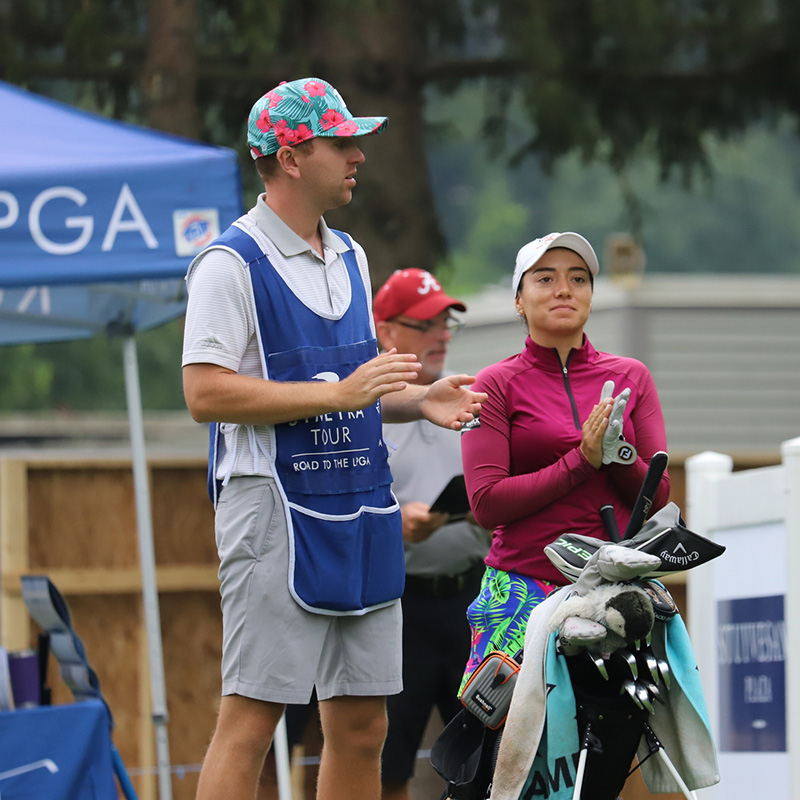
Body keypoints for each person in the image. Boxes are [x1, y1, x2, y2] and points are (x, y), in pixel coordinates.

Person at [180, 77, 486, 800]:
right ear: (291, 156)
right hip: (273, 516)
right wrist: (337, 393)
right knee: (252, 722)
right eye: (342, 142)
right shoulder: (229, 265)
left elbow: (356, 397)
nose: (358, 156)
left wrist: (419, 401)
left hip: (361, 512)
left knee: (362, 728)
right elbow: (204, 394)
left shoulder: (349, 254)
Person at [458, 231, 670, 691]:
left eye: (578, 278)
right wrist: (581, 460)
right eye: (545, 278)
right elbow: (486, 503)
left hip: (613, 589)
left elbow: (657, 495)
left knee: (616, 744)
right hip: (521, 588)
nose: (563, 289)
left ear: (591, 296)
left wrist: (616, 455)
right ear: (519, 300)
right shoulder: (494, 383)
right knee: (508, 749)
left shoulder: (631, 376)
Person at [372, 269, 491, 800]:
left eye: (447, 322)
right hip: (397, 609)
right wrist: (394, 525)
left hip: (473, 600)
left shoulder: (475, 399)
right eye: (426, 323)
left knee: (490, 755)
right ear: (384, 331)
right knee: (385, 760)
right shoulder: (357, 408)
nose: (442, 334)